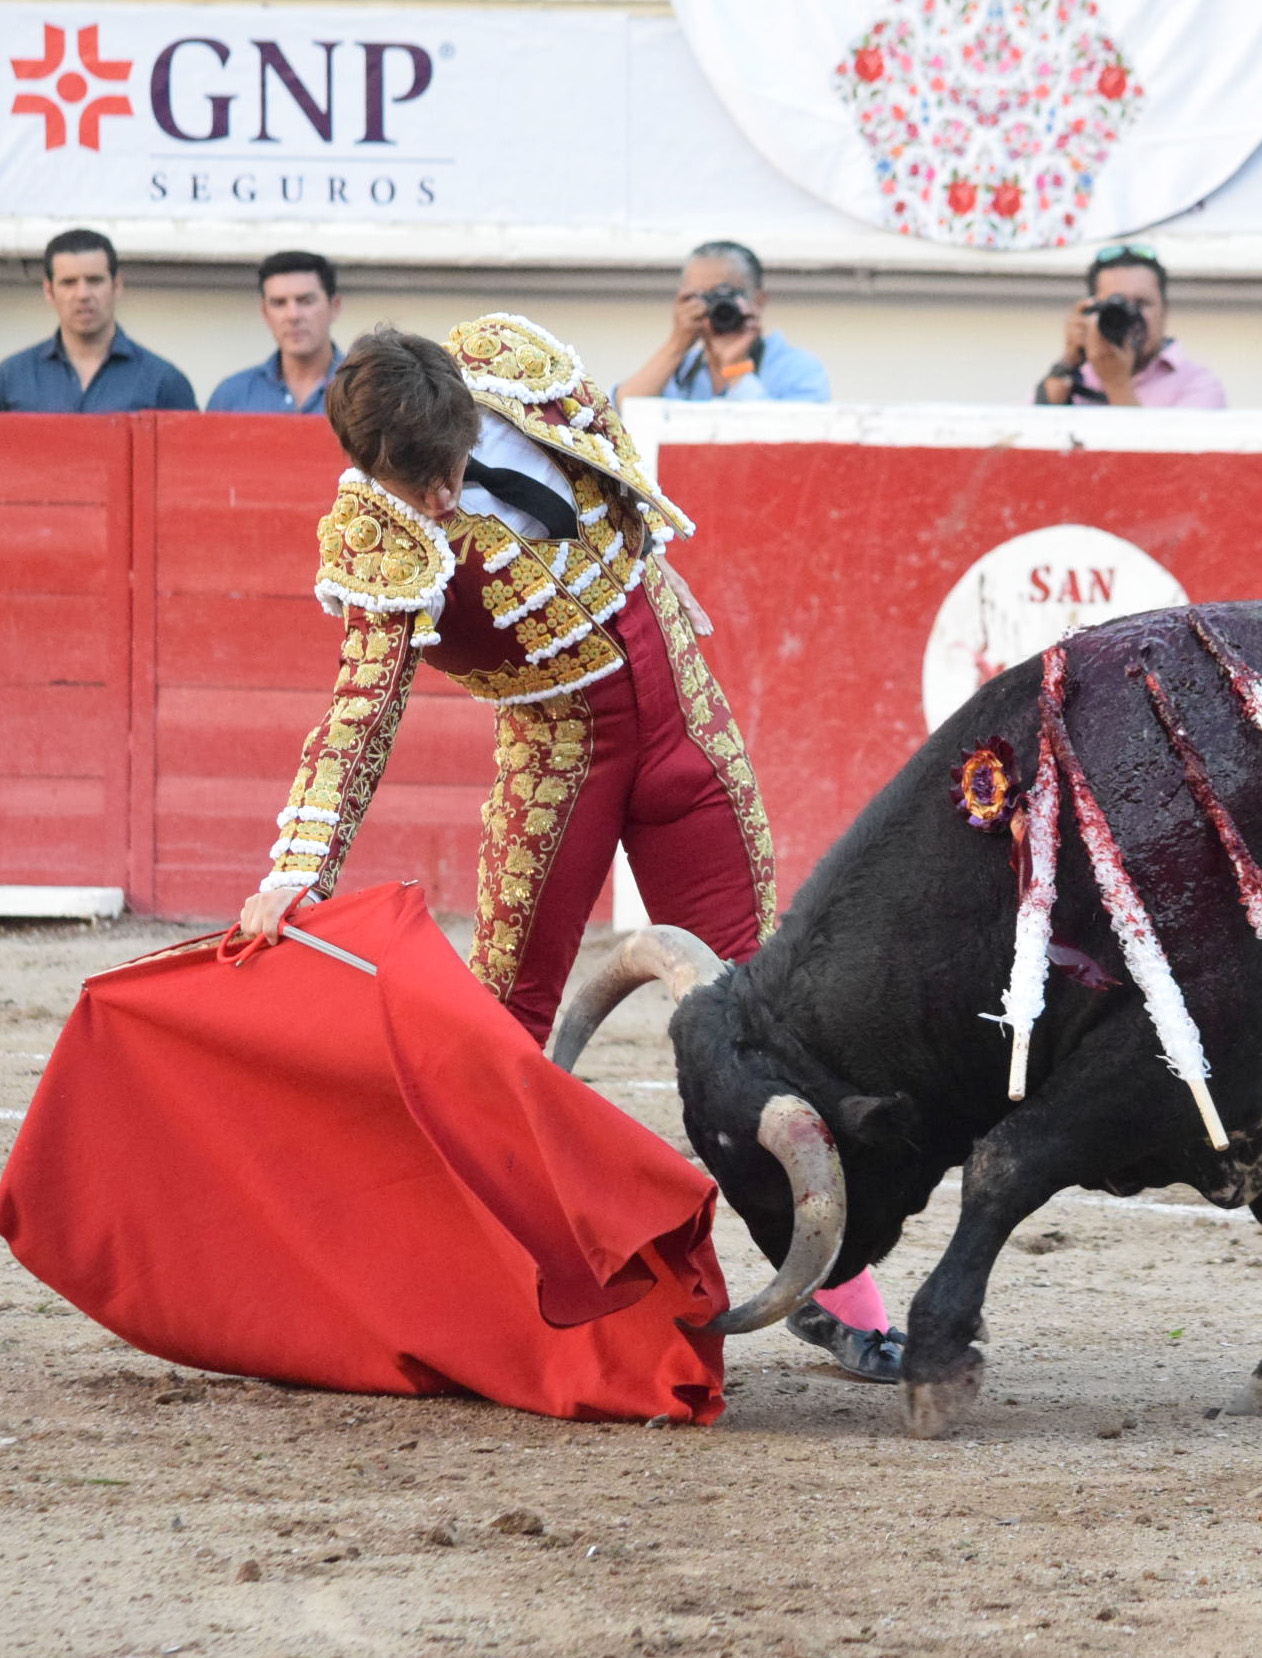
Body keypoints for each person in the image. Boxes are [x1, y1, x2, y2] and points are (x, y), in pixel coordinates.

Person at [236, 317, 899, 1381]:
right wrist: (294, 869)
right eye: (416, 488)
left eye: (447, 471)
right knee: (505, 1023)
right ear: (366, 470)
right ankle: (490, 1294)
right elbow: (359, 713)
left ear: (465, 414)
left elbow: (613, 463)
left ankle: (835, 1294)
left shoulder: (514, 366)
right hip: (559, 761)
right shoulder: (376, 539)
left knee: (762, 1012)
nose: (441, 503)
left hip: (683, 721)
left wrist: (645, 559)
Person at [0, 229, 196, 413]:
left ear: (117, 285)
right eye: (68, 283)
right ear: (49, 291)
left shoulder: (162, 381)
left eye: (94, 281)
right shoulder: (11, 378)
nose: (83, 294)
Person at [614, 240, 830, 404]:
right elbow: (615, 419)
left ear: (758, 300)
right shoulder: (680, 369)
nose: (715, 308)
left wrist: (736, 369)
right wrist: (675, 345)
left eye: (725, 295)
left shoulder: (797, 368)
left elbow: (791, 445)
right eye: (701, 297)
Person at [1035, 244, 1226, 408]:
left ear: (1164, 311)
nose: (1130, 315)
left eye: (1141, 303)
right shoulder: (1074, 378)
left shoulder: (1198, 385)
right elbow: (1027, 439)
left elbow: (1166, 451)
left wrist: (1116, 383)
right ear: (1091, 310)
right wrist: (1067, 363)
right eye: (1116, 305)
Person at [207, 251, 344, 414]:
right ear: (265, 313)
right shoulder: (232, 397)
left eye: (306, 301)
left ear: (334, 307)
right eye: (279, 303)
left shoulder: (367, 391)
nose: (293, 315)